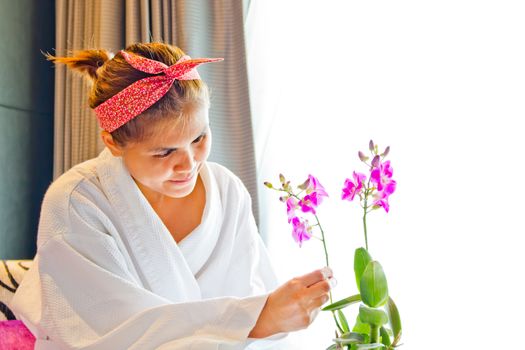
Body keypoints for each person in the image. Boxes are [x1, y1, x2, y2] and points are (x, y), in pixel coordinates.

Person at [10, 42, 335, 350]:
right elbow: (108, 334)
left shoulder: (226, 190)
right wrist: (252, 320)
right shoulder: (76, 203)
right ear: (111, 142)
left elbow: (254, 298)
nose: (189, 164)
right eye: (164, 152)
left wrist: (269, 316)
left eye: (199, 138)